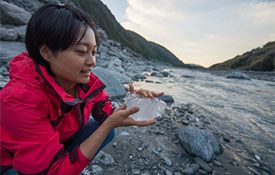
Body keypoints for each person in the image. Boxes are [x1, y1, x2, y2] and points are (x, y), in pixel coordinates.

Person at [0, 4, 164, 175]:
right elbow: (50, 171)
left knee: (106, 130)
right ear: (46, 53)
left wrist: (133, 103)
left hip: (58, 140)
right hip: (11, 163)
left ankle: (67, 161)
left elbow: (107, 113)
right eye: (81, 52)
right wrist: (106, 126)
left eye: (93, 52)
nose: (92, 61)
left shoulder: (84, 83)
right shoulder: (18, 99)